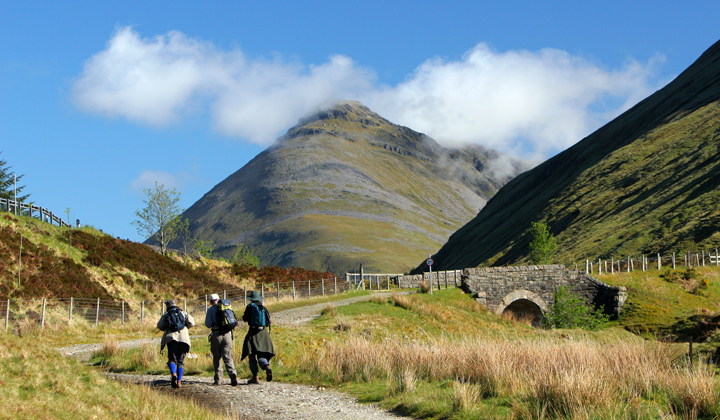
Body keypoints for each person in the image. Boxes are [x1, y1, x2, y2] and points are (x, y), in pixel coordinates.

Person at [157, 299, 195, 389]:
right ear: (175, 304)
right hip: (184, 339)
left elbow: (159, 326)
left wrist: (168, 327)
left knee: (172, 359)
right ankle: (179, 381)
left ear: (167, 306)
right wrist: (185, 327)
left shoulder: (166, 314)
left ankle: (173, 374)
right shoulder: (183, 313)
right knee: (181, 361)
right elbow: (192, 323)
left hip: (171, 338)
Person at [241, 290, 275, 384]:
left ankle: (255, 377)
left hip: (252, 333)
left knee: (251, 354)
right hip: (263, 333)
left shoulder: (250, 306)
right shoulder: (262, 307)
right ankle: (266, 366)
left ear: (251, 299)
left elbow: (245, 318)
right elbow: (268, 322)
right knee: (261, 354)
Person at [205, 293, 238, 386]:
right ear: (218, 299)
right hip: (227, 335)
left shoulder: (210, 310)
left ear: (210, 302)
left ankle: (218, 380)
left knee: (217, 358)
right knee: (228, 356)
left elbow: (208, 324)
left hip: (216, 336)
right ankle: (232, 375)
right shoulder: (227, 308)